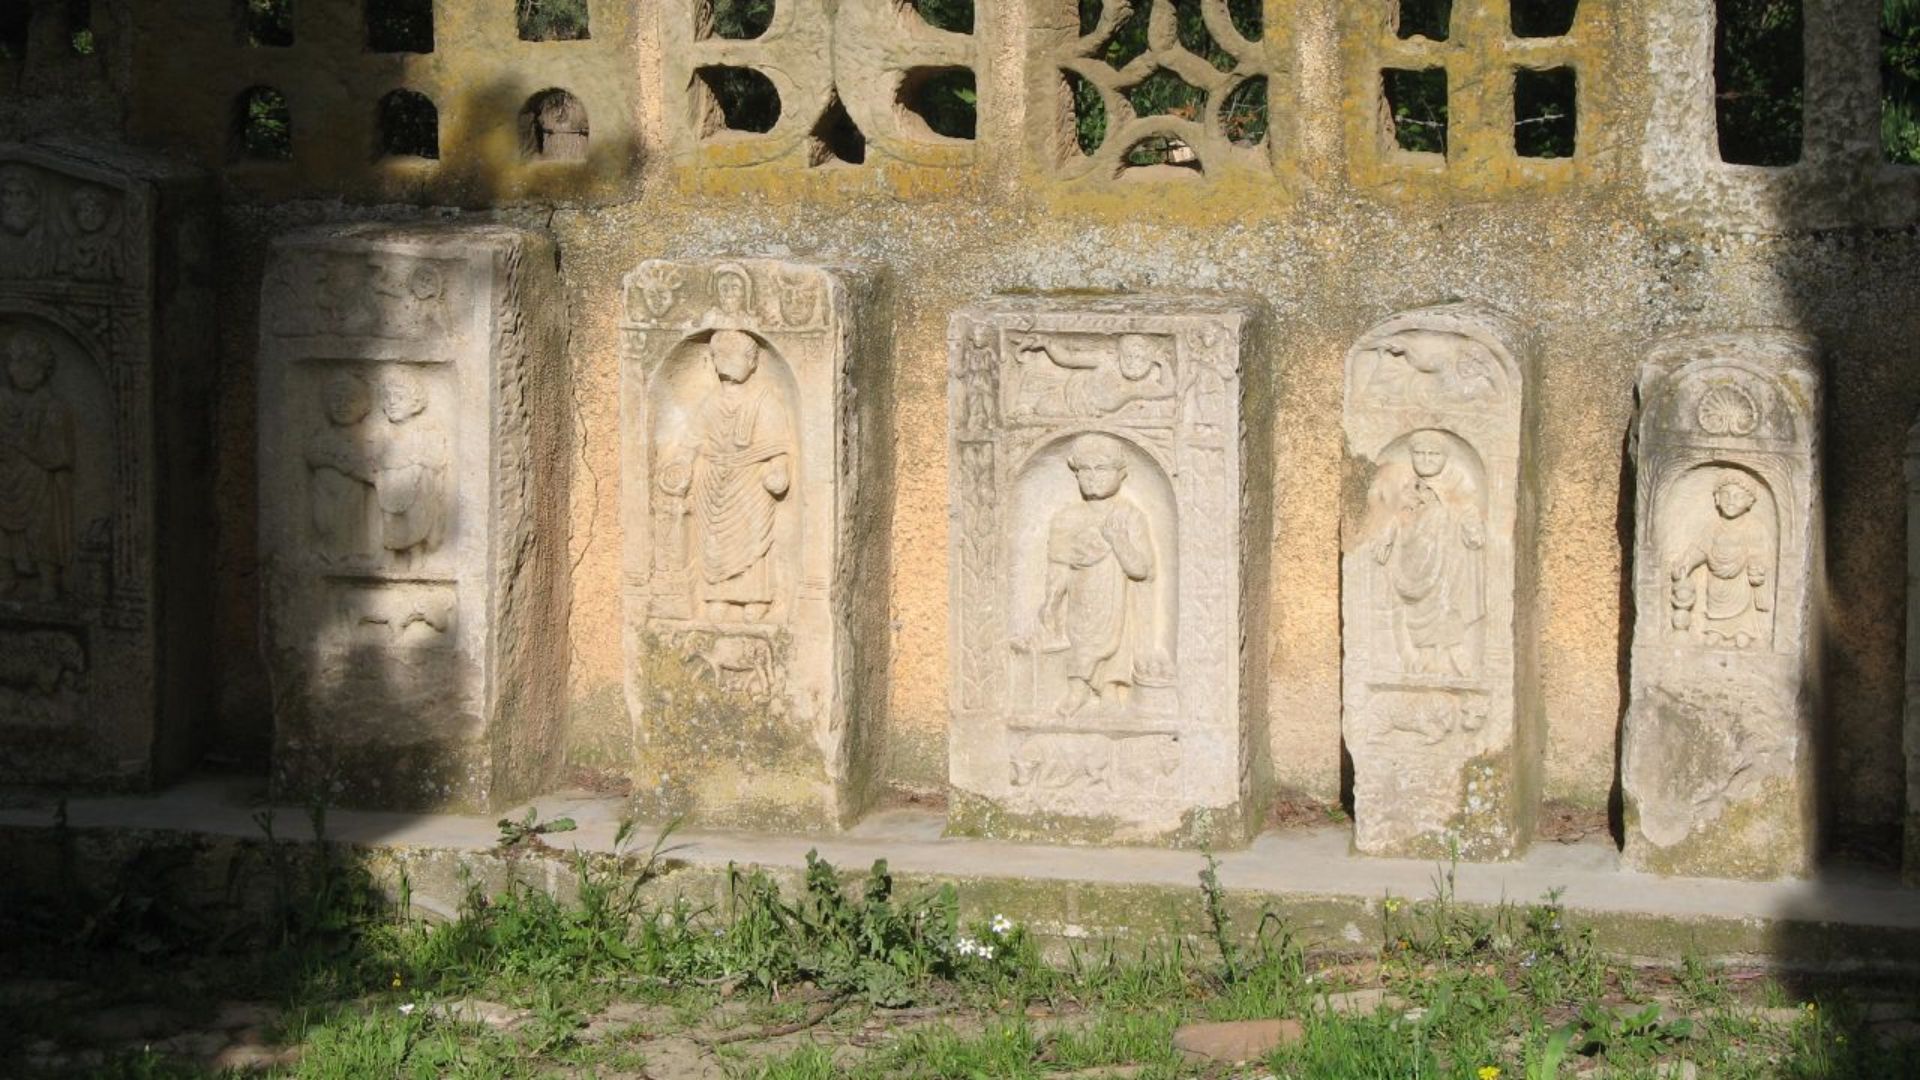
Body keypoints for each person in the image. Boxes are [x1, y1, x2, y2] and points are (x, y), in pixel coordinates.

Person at [658, 330, 794, 623]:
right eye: (722, 356)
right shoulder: (710, 402)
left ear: (752, 362)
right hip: (712, 479)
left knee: (753, 537)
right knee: (713, 540)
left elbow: (777, 446)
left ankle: (755, 598)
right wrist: (681, 465)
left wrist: (778, 469)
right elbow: (692, 441)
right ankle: (716, 596)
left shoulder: (764, 401)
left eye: (737, 356)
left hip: (750, 481)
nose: (729, 362)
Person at [1029, 434, 1162, 717]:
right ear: (1076, 473)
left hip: (1118, 599)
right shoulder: (1067, 518)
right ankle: (1078, 689)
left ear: (1120, 473)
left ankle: (1110, 689)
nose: (1092, 477)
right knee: (1079, 637)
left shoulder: (1129, 516)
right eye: (1085, 470)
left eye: (1101, 469)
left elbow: (1142, 570)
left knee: (1118, 636)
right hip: (1080, 600)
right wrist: (1051, 603)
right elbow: (1058, 566)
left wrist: (1118, 541)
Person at [1370, 430, 1487, 677]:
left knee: (1449, 601)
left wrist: (1472, 527)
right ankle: (1424, 655)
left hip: (1449, 558)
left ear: (1444, 457)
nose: (1426, 459)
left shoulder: (1458, 482)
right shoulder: (1404, 482)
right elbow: (1393, 512)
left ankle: (1452, 652)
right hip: (1414, 556)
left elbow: (1468, 511)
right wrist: (1387, 535)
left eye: (1433, 455)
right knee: (1418, 608)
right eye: (1420, 454)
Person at [0, 332, 75, 600]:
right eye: (12, 363)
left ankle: (48, 582)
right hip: (5, 475)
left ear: (41, 370)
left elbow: (61, 455)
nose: (14, 370)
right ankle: (5, 576)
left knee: (43, 529)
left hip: (40, 479)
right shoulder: (2, 403)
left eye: (23, 364)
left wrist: (25, 446)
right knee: (3, 529)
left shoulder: (53, 407)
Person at [1669, 475, 1771, 649]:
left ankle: (1743, 631)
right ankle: (1715, 631)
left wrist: (1757, 567)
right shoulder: (1712, 527)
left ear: (1750, 501)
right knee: (1716, 609)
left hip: (1741, 581)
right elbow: (1700, 549)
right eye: (1726, 495)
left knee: (1742, 613)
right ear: (1717, 498)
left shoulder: (1754, 528)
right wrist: (1686, 563)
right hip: (1716, 581)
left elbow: (1759, 553)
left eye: (1738, 496)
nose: (1731, 501)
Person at [371, 370, 448, 567]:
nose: (392, 403)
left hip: (417, 486)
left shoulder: (424, 432)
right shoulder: (382, 433)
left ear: (414, 403)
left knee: (416, 519)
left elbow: (437, 460)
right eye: (388, 398)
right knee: (390, 523)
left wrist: (417, 461)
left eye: (399, 398)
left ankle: (416, 554)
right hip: (390, 485)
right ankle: (389, 555)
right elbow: (375, 459)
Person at [304, 372, 376, 558]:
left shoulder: (368, 439)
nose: (342, 406)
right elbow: (312, 455)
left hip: (351, 493)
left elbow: (372, 471)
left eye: (350, 400)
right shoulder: (323, 436)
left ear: (364, 406)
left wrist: (351, 467)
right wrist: (334, 461)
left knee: (349, 523)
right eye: (336, 400)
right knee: (323, 522)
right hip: (324, 490)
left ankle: (349, 556)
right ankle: (326, 553)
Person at [1014, 333, 1174, 416]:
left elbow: (1167, 390)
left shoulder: (1139, 387)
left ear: (1150, 361)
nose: (1133, 363)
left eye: (1140, 358)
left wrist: (1164, 364)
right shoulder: (1106, 359)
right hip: (1069, 394)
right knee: (1043, 406)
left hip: (1089, 414)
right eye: (1129, 356)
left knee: (1046, 411)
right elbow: (1069, 358)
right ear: (1120, 354)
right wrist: (1047, 343)